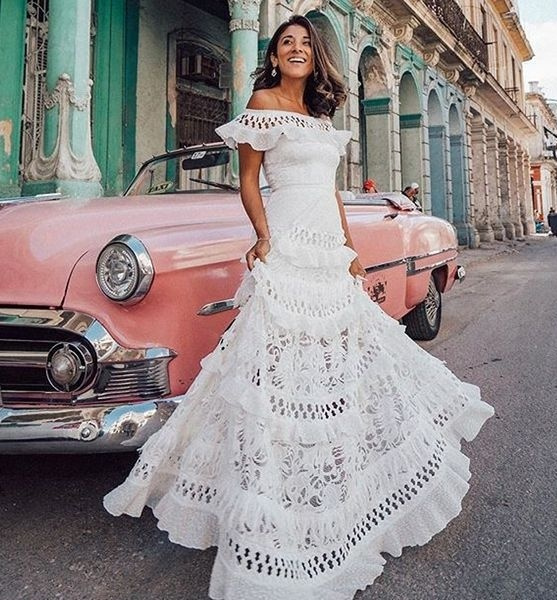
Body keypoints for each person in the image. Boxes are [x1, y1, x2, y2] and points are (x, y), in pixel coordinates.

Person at [104, 14, 493, 600]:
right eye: (286, 42)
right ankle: (273, 507)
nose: (295, 49)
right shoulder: (262, 101)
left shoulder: (318, 116)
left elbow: (332, 193)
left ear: (315, 58)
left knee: (340, 366)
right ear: (274, 55)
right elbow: (249, 182)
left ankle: (341, 492)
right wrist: (262, 238)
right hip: (286, 244)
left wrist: (349, 250)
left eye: (304, 44)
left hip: (326, 248)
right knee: (275, 370)